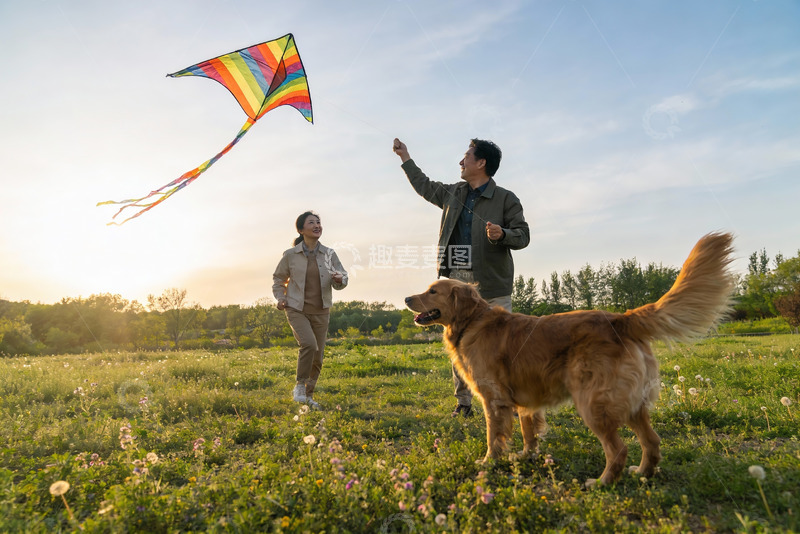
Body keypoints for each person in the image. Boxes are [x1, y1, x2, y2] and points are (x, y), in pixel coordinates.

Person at [393, 138, 530, 417]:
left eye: (466, 156)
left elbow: (523, 235)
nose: (461, 161)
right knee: (458, 342)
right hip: (456, 280)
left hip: (492, 281)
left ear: (481, 163)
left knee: (503, 345)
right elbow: (425, 186)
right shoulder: (453, 192)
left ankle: (509, 401)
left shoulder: (506, 198)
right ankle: (464, 403)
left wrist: (503, 234)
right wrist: (405, 157)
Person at [273, 211, 348, 409]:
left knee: (318, 357)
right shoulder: (290, 255)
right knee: (309, 344)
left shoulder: (329, 254)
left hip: (321, 310)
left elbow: (343, 276)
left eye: (319, 222)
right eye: (311, 223)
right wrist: (281, 298)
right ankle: (299, 386)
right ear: (300, 229)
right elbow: (279, 280)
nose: (317, 225)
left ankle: (307, 396)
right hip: (296, 308)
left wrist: (340, 280)